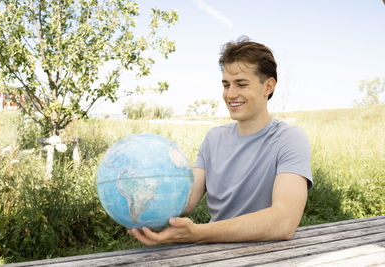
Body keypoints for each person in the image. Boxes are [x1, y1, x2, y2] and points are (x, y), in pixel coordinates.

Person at [128, 36, 313, 245]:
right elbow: (185, 201)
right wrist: (143, 204)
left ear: (268, 87)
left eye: (241, 84)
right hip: (213, 252)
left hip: (267, 254)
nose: (230, 94)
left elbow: (283, 221)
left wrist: (198, 233)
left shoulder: (289, 139)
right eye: (226, 85)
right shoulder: (213, 138)